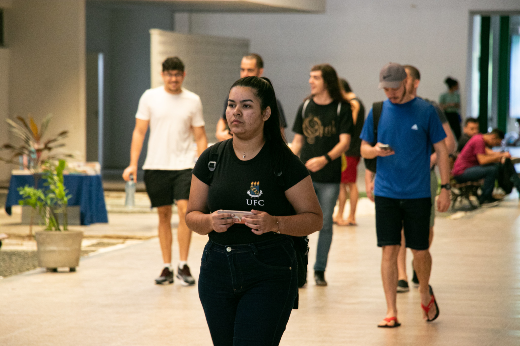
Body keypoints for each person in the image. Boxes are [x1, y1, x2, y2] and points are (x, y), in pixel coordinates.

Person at [186, 76, 323, 346]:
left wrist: (275, 223)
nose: (236, 112)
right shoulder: (211, 158)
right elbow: (192, 216)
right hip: (217, 269)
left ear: (266, 113)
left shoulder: (284, 161)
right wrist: (210, 222)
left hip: (270, 269)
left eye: (246, 106)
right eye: (231, 105)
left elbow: (314, 218)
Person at [360, 62, 450, 328]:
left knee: (419, 250)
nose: (391, 93)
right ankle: (391, 311)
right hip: (386, 192)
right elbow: (363, 149)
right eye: (386, 88)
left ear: (407, 83)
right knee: (389, 250)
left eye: (395, 87)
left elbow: (442, 150)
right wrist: (375, 151)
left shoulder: (426, 111)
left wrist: (445, 188)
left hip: (418, 193)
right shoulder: (377, 111)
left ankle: (424, 290)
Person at [122, 57, 208, 286]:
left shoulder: (193, 100)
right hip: (156, 165)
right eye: (169, 74)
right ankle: (167, 266)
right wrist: (132, 163)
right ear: (162, 75)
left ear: (184, 75)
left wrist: (202, 165)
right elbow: (139, 132)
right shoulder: (150, 97)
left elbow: (200, 135)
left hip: (185, 165)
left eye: (177, 74)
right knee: (163, 215)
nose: (173, 78)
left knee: (184, 211)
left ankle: (183, 264)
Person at [396, 65, 457, 293]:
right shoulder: (390, 108)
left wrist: (429, 159)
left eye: (405, 78)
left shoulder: (430, 108)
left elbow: (449, 143)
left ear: (415, 82)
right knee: (400, 227)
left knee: (425, 228)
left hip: (424, 178)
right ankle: (401, 275)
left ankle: (417, 263)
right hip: (397, 178)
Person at [291, 64, 353, 286]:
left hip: (329, 177)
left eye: (315, 77)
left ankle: (319, 270)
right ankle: (300, 270)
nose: (311, 81)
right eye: (310, 77)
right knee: (300, 224)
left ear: (327, 81)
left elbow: (344, 142)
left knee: (325, 224)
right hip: (303, 179)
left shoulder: (341, 108)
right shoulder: (306, 106)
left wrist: (324, 159)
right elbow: (297, 142)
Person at [215, 53, 287, 141]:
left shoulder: (270, 100)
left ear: (260, 71)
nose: (245, 74)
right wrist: (219, 133)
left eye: (250, 70)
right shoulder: (233, 96)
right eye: (242, 70)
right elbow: (223, 119)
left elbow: (279, 134)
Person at [452, 129, 520, 205]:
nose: (495, 145)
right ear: (493, 137)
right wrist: (501, 156)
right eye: (496, 143)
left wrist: (502, 155)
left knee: (496, 166)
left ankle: (501, 190)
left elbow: (490, 153)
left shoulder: (480, 139)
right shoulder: (479, 141)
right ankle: (485, 197)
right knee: (491, 170)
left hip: (466, 170)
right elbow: (482, 161)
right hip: (461, 172)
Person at [333, 78, 365, 226]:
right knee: (343, 183)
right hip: (350, 148)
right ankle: (341, 214)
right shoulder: (353, 101)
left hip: (350, 149)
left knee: (349, 183)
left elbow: (348, 125)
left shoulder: (353, 103)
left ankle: (350, 216)